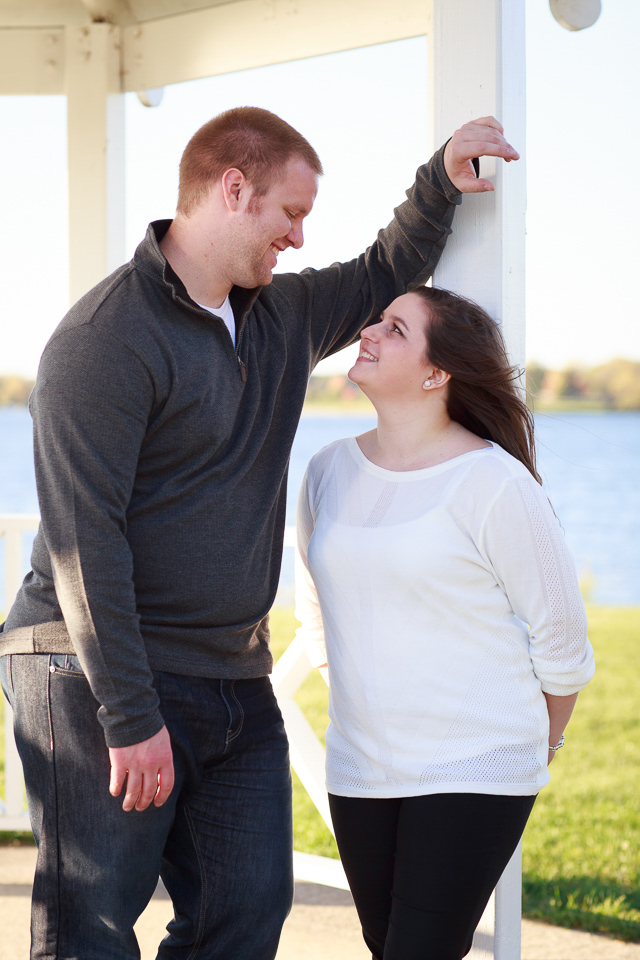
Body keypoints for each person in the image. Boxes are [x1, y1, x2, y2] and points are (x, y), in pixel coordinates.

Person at [0, 108, 519, 960]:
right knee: (91, 924)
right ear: (233, 190)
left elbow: (381, 271)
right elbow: (81, 542)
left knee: (245, 913)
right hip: (91, 669)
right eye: (289, 212)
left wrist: (442, 177)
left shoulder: (279, 317)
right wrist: (128, 716)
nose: (299, 236)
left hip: (232, 674)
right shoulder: (103, 342)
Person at [295, 285, 595, 960]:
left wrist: (528, 753)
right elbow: (314, 605)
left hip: (474, 769)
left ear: (437, 373)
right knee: (388, 946)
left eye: (395, 329)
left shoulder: (495, 484)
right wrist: (364, 699)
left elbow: (563, 645)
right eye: (378, 320)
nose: (369, 331)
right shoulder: (327, 470)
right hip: (361, 769)